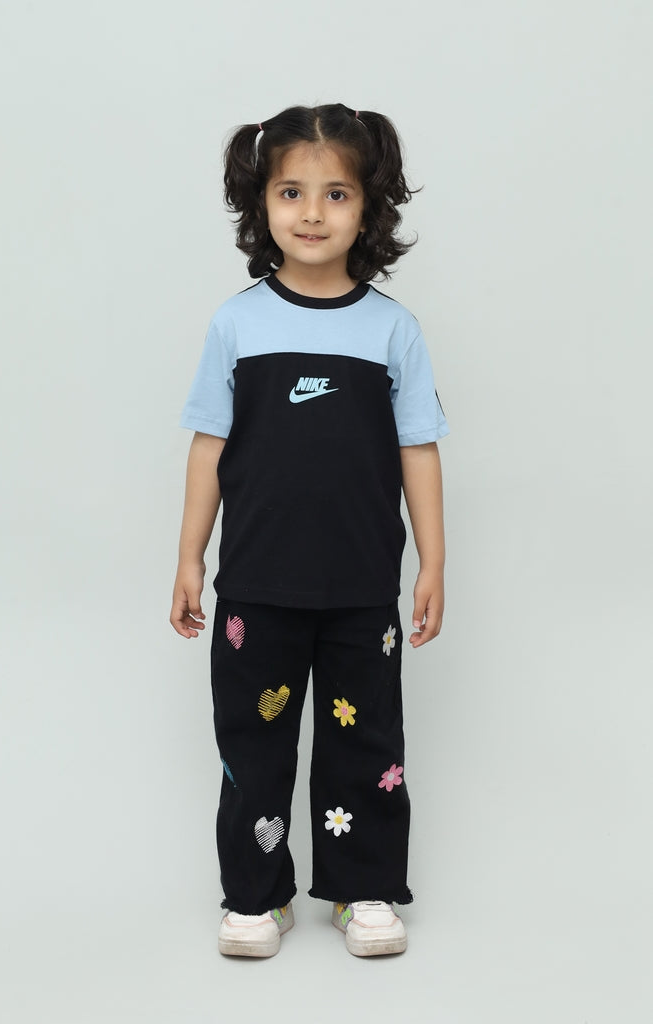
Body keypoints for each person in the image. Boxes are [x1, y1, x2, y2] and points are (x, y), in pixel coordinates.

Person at [170, 103, 449, 958]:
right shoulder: (236, 323)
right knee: (252, 746)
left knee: (365, 743)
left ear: (368, 209)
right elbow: (209, 446)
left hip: (361, 588)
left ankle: (363, 889)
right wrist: (188, 557)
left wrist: (433, 562)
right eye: (291, 192)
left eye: (336, 193)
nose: (312, 213)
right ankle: (256, 898)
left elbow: (417, 449)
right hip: (255, 586)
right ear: (261, 203)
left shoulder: (391, 329)